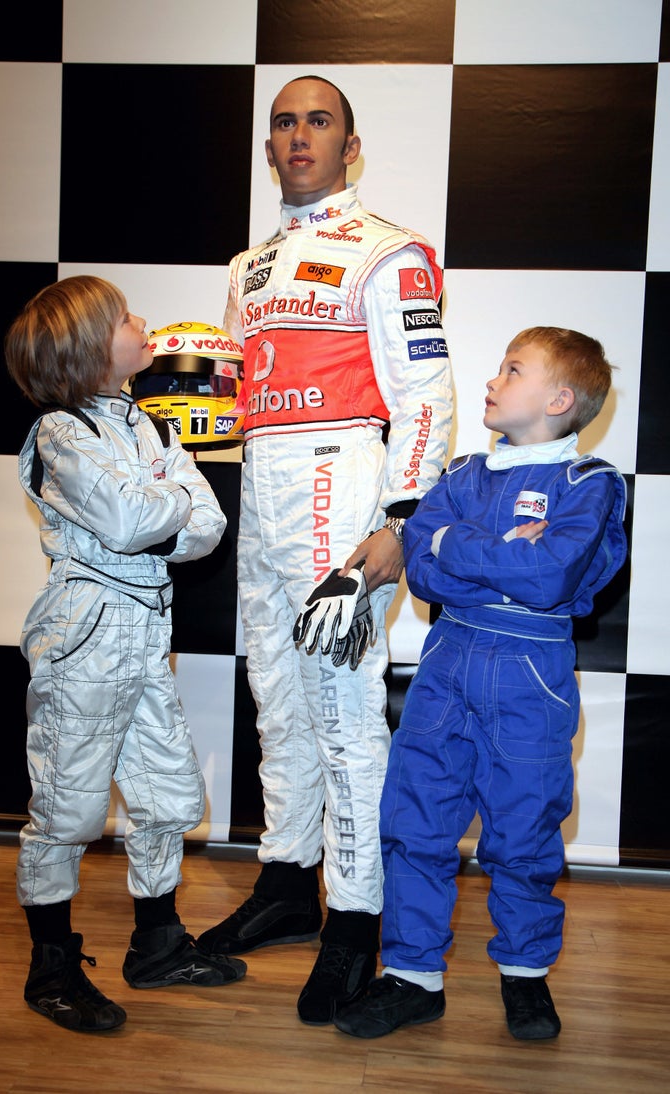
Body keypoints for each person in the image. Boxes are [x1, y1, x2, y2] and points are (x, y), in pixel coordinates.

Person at [195, 75, 453, 1026]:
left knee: (346, 710)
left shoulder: (389, 253)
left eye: (318, 121)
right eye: (283, 123)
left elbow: (426, 398)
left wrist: (400, 521)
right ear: (270, 150)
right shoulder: (244, 267)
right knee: (275, 693)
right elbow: (234, 396)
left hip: (342, 481)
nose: (298, 136)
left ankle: (356, 922)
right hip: (262, 487)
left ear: (350, 146)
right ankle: (288, 881)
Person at [333, 326, 628, 1041]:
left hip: (532, 673)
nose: (492, 381)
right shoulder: (462, 474)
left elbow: (551, 575)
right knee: (414, 823)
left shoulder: (591, 484)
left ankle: (525, 978)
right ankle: (412, 977)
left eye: (512, 369)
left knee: (525, 831)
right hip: (447, 662)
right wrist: (479, 551)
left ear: (560, 397)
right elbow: (424, 573)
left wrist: (450, 544)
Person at [4, 275, 247, 1033]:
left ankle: (158, 943)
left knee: (170, 792)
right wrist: (164, 497)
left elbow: (204, 525)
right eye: (123, 318)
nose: (144, 322)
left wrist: (159, 498)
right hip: (85, 631)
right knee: (69, 807)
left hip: (145, 629)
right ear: (83, 349)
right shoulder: (59, 432)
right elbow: (129, 517)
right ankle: (49, 968)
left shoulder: (152, 426)